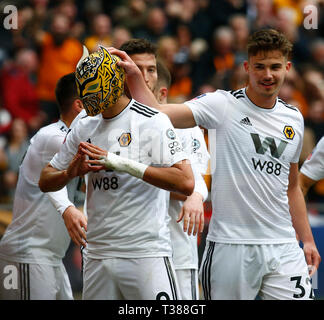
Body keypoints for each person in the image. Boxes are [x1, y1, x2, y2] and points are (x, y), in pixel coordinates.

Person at [112, 28, 321, 300]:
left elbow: (292, 186)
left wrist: (306, 239)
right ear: (247, 67)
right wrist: (136, 77)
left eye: (275, 67)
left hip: (282, 245)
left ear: (287, 68)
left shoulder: (294, 117)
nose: (268, 75)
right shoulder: (221, 104)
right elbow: (160, 115)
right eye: (259, 67)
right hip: (231, 246)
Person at [38, 46, 195, 300]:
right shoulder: (84, 124)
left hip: (145, 252)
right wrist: (69, 172)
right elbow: (45, 179)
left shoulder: (151, 121)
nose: (87, 99)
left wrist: (122, 164)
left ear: (112, 82)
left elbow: (186, 182)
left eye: (92, 89)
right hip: (98, 253)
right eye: (83, 89)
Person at [119, 38, 210, 299]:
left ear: (162, 95)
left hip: (176, 250)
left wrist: (194, 195)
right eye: (137, 69)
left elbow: (199, 179)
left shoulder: (185, 127)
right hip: (122, 249)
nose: (144, 77)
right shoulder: (102, 123)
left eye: (150, 71)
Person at [0, 72, 85, 300]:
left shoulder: (63, 138)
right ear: (79, 105)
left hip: (49, 256)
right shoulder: (55, 138)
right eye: (95, 100)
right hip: (28, 253)